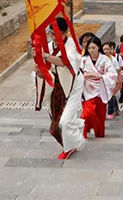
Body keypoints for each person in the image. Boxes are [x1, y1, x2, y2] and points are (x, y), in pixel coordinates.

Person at [35, 17, 85, 160]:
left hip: (73, 84)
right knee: (55, 120)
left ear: (65, 32)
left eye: (57, 34)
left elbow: (64, 61)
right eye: (51, 33)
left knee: (65, 121)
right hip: (57, 85)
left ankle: (71, 146)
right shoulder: (50, 46)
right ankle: (69, 142)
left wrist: (44, 56)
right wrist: (39, 69)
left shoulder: (73, 45)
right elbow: (46, 68)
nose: (54, 37)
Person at [80, 36, 118, 139]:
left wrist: (101, 76)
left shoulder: (105, 59)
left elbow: (113, 74)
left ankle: (99, 133)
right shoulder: (83, 60)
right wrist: (86, 75)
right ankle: (85, 129)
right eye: (89, 48)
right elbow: (77, 74)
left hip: (101, 89)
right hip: (87, 90)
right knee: (88, 113)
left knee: (100, 115)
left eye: (93, 48)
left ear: (98, 47)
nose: (91, 50)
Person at [103, 42, 123, 120]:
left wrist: (117, 79)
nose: (106, 51)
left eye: (107, 49)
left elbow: (117, 69)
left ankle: (110, 111)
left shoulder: (113, 59)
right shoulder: (101, 59)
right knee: (107, 95)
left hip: (112, 80)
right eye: (104, 49)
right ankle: (115, 109)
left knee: (110, 95)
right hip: (104, 80)